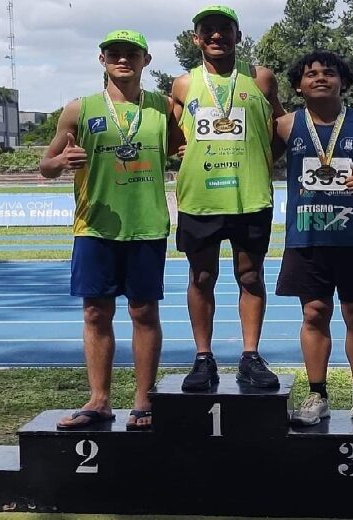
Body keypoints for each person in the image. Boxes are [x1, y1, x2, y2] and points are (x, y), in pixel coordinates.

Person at [39, 29, 181, 430]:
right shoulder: (78, 109)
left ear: (146, 61)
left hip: (147, 224)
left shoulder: (164, 107)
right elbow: (45, 168)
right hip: (95, 227)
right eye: (114, 54)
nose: (123, 60)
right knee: (95, 312)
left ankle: (143, 400)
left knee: (143, 311)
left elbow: (179, 146)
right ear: (102, 60)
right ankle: (99, 400)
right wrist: (61, 160)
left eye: (131, 54)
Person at [272, 51, 353, 427]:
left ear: (342, 81)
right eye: (310, 74)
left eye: (328, 73)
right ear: (298, 85)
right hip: (307, 237)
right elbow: (255, 160)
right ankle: (317, 394)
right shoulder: (284, 126)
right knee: (314, 313)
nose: (319, 78)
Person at [171, 5, 285, 391]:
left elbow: (281, 128)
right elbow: (171, 136)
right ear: (196, 38)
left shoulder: (262, 79)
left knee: (250, 275)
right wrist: (184, 150)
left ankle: (250, 356)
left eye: (225, 29)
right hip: (200, 198)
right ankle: (203, 358)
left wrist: (263, 156)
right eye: (208, 30)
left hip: (250, 196)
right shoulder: (183, 84)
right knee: (201, 277)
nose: (217, 36)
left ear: (238, 35)